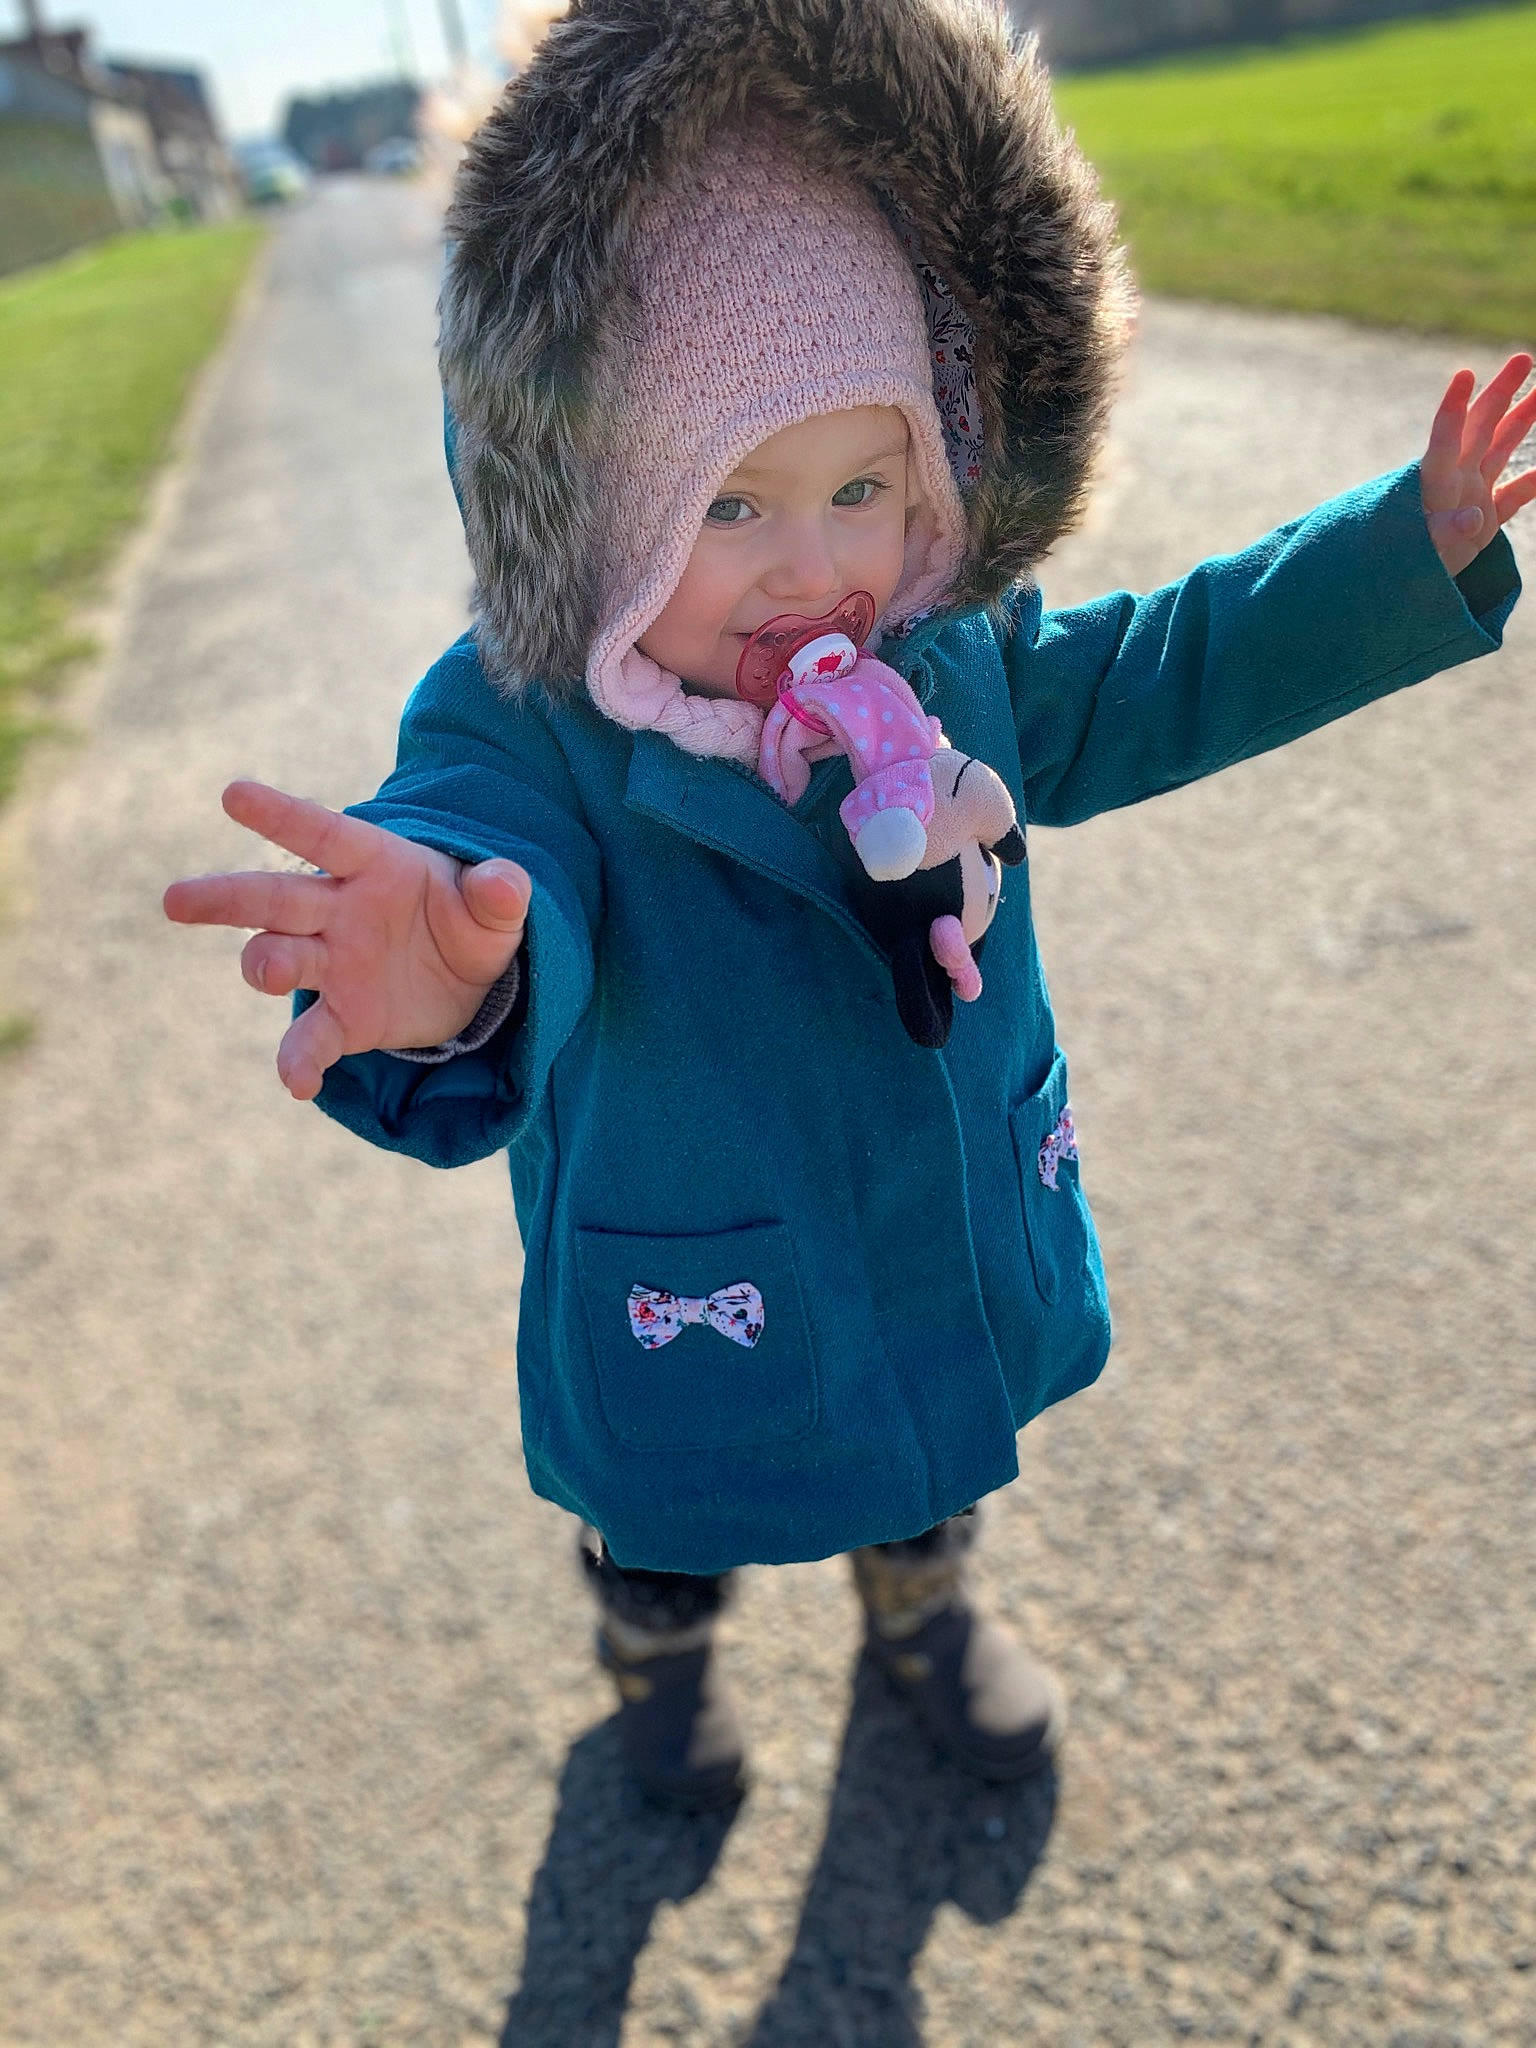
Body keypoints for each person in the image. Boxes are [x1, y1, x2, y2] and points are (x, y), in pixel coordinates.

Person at [164, 0, 1532, 1813]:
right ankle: (655, 1658)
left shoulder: (943, 662)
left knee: (925, 1428)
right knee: (666, 1503)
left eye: (864, 487)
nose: (816, 566)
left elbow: (1161, 670)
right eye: (731, 503)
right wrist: (453, 963)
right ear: (596, 505)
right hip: (690, 1253)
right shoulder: (529, 719)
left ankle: (924, 1610)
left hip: (914, 1215)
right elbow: (477, 853)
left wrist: (1391, 558)